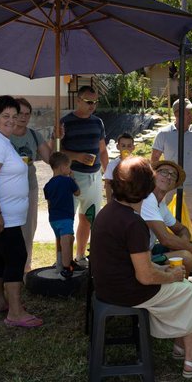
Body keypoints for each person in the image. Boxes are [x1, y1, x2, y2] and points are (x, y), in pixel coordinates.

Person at [91, 157, 192, 379]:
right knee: (188, 291)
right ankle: (191, 359)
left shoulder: (110, 211)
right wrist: (172, 275)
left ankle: (181, 347)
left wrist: (166, 273)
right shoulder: (133, 223)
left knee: (182, 285)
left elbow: (142, 265)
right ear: (147, 187)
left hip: (107, 288)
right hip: (126, 291)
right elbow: (146, 276)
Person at [0, 95, 42, 328]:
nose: (12, 120)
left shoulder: (1, 140)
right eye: (5, 116)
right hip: (0, 216)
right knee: (16, 256)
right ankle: (15, 312)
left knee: (1, 256)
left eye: (15, 116)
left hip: (4, 215)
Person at [0, 97, 51, 288]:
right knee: (9, 248)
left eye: (22, 115)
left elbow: (51, 158)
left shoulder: (28, 136)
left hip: (20, 197)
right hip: (2, 204)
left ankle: (5, 293)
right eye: (7, 116)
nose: (18, 119)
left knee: (14, 244)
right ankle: (13, 306)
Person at [60, 86, 108, 267]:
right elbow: (57, 152)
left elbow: (103, 151)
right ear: (78, 100)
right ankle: (64, 261)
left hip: (94, 176)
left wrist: (108, 174)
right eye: (89, 102)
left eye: (95, 102)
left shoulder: (98, 122)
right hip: (72, 176)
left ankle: (80, 256)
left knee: (89, 218)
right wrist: (77, 156)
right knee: (67, 221)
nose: (92, 106)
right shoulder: (65, 122)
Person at [151, 98, 192, 242]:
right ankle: (160, 248)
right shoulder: (163, 133)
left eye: (191, 112)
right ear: (178, 114)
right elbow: (154, 159)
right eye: (189, 112)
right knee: (159, 219)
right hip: (168, 183)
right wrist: (156, 182)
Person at [141, 160, 192, 275]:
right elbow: (165, 239)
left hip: (148, 252)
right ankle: (179, 291)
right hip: (135, 260)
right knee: (186, 257)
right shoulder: (147, 199)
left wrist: (182, 244)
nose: (168, 176)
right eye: (163, 172)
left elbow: (182, 229)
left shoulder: (161, 205)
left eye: (173, 175)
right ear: (153, 175)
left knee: (185, 251)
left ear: (175, 184)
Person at [43, 152, 81, 278]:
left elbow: (49, 202)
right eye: (69, 167)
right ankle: (66, 267)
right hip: (66, 217)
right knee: (66, 241)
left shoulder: (48, 185)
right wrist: (73, 178)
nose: (70, 170)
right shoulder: (68, 181)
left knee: (66, 239)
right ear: (62, 167)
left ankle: (62, 262)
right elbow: (77, 193)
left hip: (53, 218)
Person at [103, 132, 135, 201]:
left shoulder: (137, 164)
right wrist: (109, 203)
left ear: (133, 147)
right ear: (118, 147)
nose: (126, 148)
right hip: (117, 200)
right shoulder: (112, 164)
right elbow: (108, 185)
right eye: (123, 146)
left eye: (129, 146)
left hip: (133, 201)